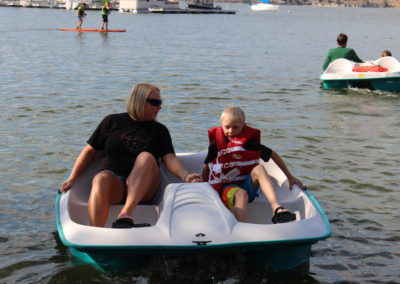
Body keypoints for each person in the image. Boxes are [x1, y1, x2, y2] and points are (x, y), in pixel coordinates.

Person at [61, 83, 202, 228]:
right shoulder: (111, 121)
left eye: (160, 103)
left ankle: (126, 212)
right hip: (115, 184)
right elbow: (89, 151)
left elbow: (169, 158)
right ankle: (96, 232)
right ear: (139, 101)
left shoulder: (159, 130)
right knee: (100, 178)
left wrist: (185, 175)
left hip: (145, 188)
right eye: (155, 102)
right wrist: (72, 178)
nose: (159, 107)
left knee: (145, 157)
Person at [202, 106, 304, 224]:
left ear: (243, 126)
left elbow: (273, 155)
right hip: (226, 190)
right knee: (241, 194)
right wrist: (205, 188)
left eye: (235, 127)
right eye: (227, 127)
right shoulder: (216, 146)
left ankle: (276, 207)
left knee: (259, 168)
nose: (230, 131)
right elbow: (206, 167)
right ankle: (243, 228)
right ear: (221, 125)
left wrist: (290, 177)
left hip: (247, 184)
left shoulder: (249, 144)